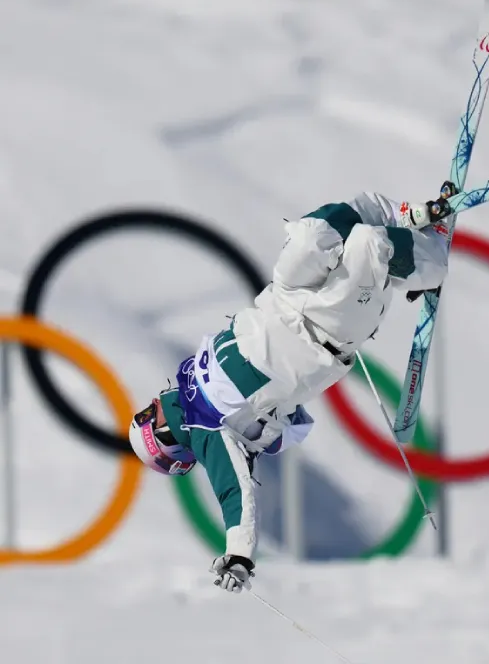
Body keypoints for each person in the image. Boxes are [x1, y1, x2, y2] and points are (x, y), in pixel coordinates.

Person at [127, 192, 452, 593]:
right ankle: (432, 263)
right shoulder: (207, 429)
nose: (152, 404)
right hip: (326, 329)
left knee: (310, 235)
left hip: (286, 298)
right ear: (165, 441)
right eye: (146, 417)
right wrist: (239, 555)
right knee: (369, 244)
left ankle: (407, 217)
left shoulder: (190, 378)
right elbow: (235, 492)